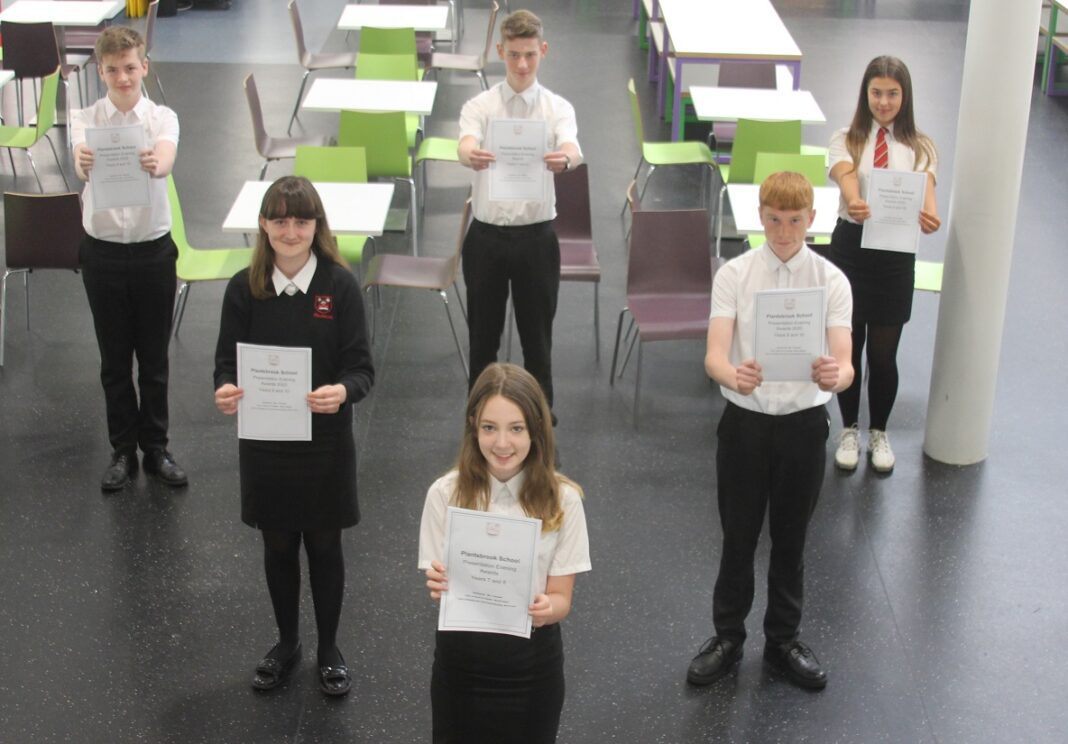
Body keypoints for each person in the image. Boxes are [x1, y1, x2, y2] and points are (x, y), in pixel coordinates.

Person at [687, 172, 854, 691]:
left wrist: (836, 374)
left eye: (795, 221)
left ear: (812, 220)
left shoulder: (832, 281)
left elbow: (845, 365)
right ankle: (728, 637)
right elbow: (715, 352)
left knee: (791, 539)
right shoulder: (734, 275)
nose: (783, 232)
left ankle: (783, 641)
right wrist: (730, 373)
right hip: (746, 423)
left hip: (804, 425)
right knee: (738, 537)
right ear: (760, 216)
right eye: (775, 220)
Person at [213, 176, 374, 697]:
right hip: (265, 444)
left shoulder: (340, 287)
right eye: (279, 219)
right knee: (277, 543)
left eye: (300, 220)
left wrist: (342, 392)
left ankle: (329, 647)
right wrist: (226, 390)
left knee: (325, 544)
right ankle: (288, 643)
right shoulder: (244, 288)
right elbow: (224, 364)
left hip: (324, 443)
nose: (290, 230)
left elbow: (362, 370)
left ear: (316, 226)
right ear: (263, 224)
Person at [418, 362, 591, 743]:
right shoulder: (444, 495)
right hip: (460, 667)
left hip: (532, 670)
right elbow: (440, 588)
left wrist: (549, 609)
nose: (502, 444)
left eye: (516, 429)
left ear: (536, 431)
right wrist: (439, 585)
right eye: (489, 428)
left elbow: (562, 599)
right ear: (472, 426)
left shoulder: (564, 500)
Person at [73, 26, 185, 492]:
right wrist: (83, 160)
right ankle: (122, 448)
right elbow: (81, 160)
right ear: (100, 70)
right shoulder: (84, 119)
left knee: (154, 358)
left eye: (131, 67)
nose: (123, 77)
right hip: (101, 253)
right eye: (113, 69)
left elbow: (166, 157)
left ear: (144, 67)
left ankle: (156, 447)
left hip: (152, 251)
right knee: (114, 359)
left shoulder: (162, 118)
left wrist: (155, 163)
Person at [457, 9, 582, 414]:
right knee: (482, 343)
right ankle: (479, 425)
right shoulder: (479, 105)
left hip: (536, 238)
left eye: (529, 54)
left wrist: (565, 159)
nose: (522, 64)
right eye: (513, 55)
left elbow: (572, 147)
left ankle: (542, 433)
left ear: (543, 50)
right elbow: (464, 141)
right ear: (500, 51)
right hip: (487, 237)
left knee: (538, 344)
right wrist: (468, 154)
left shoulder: (557, 107)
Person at [827, 55, 940, 473]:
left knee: (884, 354)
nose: (884, 101)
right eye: (877, 92)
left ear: (905, 96)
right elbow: (845, 177)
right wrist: (855, 199)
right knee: (848, 347)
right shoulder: (847, 138)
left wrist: (930, 216)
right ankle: (850, 429)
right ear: (865, 93)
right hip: (852, 249)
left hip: (894, 255)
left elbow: (927, 193)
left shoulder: (921, 146)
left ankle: (880, 431)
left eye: (893, 93)